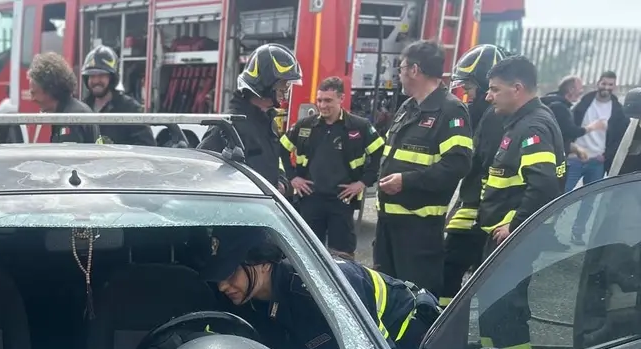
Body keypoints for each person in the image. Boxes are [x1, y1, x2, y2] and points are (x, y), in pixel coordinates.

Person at [199, 228, 441, 349]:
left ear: (263, 263)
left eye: (230, 275)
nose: (222, 286)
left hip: (404, 347)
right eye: (218, 277)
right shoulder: (247, 301)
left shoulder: (322, 287)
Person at [475, 55, 564, 349]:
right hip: (506, 236)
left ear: (517, 88)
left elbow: (544, 185)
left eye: (494, 89)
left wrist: (515, 225)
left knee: (506, 310)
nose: (488, 96)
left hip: (513, 238)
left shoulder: (532, 127)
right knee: (493, 305)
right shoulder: (521, 123)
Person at [374, 39, 473, 294]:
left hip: (418, 231)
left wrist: (406, 181)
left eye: (402, 67)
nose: (399, 74)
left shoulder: (451, 111)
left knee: (417, 299)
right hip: (388, 224)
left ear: (415, 70)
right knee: (387, 296)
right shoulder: (408, 107)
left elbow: (457, 165)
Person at [279, 76, 385, 260]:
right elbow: (281, 148)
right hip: (309, 200)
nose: (322, 105)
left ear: (341, 99)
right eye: (319, 100)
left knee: (342, 257)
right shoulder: (305, 126)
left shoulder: (359, 126)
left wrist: (362, 182)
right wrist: (292, 177)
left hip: (342, 202)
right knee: (308, 254)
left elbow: (379, 153)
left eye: (328, 100)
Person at [440, 43, 507, 308]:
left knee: (450, 268)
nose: (465, 94)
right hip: (475, 210)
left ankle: (440, 324)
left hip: (478, 215)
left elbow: (484, 165)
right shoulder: (487, 115)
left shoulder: (491, 118)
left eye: (469, 86)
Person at [200, 43, 302, 193]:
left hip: (261, 208)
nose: (286, 88)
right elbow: (202, 169)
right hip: (238, 211)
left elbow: (275, 161)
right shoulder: (228, 126)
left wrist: (280, 181)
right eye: (283, 83)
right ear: (266, 82)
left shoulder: (269, 123)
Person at [568, 71, 631, 243]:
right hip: (575, 158)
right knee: (562, 195)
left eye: (610, 84)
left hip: (597, 161)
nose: (607, 87)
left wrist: (606, 155)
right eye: (604, 83)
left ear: (614, 86)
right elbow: (570, 125)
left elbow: (619, 137)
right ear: (598, 83)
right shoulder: (584, 102)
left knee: (588, 201)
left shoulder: (617, 110)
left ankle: (578, 233)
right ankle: (547, 232)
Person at [81, 45, 155, 146]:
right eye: (92, 76)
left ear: (112, 78)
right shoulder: (82, 109)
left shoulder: (131, 109)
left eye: (101, 75)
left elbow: (146, 147)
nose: (96, 81)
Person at [27, 51, 102, 144]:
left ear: (50, 90)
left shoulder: (69, 119)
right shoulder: (74, 111)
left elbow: (67, 157)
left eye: (34, 93)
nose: (32, 99)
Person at [540, 75, 606, 166]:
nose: (582, 91)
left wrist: (576, 149)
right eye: (580, 88)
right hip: (549, 159)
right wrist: (593, 127)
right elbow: (571, 131)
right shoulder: (559, 107)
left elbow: (561, 137)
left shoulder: (552, 103)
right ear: (571, 90)